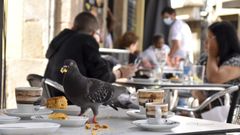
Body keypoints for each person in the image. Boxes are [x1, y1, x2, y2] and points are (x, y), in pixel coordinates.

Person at [44, 12, 136, 100]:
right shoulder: (86, 40)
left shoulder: (60, 40)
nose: (100, 40)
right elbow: (101, 78)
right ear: (92, 33)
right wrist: (121, 73)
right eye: (99, 34)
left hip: (53, 97)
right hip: (73, 101)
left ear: (74, 26)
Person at [192, 21, 240, 118]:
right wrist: (199, 96)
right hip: (204, 113)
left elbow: (214, 78)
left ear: (222, 39)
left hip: (230, 116)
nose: (206, 41)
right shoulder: (204, 59)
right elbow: (195, 82)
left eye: (210, 37)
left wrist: (212, 54)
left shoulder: (236, 60)